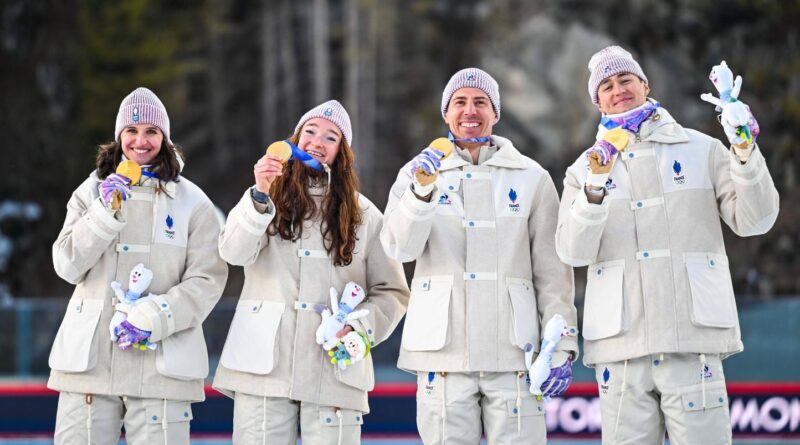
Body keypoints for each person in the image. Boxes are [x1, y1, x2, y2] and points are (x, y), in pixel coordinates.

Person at [556, 46, 780, 445]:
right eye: (606, 85)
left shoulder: (702, 149)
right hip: (621, 351)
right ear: (597, 101)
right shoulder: (582, 170)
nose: (618, 89)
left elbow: (755, 220)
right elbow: (573, 252)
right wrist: (594, 189)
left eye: (625, 79)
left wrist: (743, 145)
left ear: (645, 84)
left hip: (691, 344)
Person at [381, 68, 578, 444]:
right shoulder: (415, 173)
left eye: (480, 102)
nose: (469, 111)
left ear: (495, 113)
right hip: (443, 357)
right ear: (446, 113)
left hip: (515, 355)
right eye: (460, 102)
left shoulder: (532, 177)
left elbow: (553, 272)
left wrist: (563, 345)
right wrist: (421, 194)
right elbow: (398, 248)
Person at [212, 100, 409, 445]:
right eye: (311, 132)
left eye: (331, 137)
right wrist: (259, 192)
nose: (318, 141)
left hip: (335, 369)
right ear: (296, 139)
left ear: (342, 153)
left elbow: (392, 291)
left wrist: (360, 329)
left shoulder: (367, 215)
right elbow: (233, 252)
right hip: (264, 368)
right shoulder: (265, 199)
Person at [49, 87, 228, 444]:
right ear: (119, 137)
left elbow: (207, 280)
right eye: (131, 131)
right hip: (91, 365)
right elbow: (67, 265)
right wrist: (104, 213)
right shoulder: (89, 193)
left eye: (152, 132)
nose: (141, 141)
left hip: (163, 370)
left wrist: (155, 317)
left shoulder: (195, 203)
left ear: (165, 138)